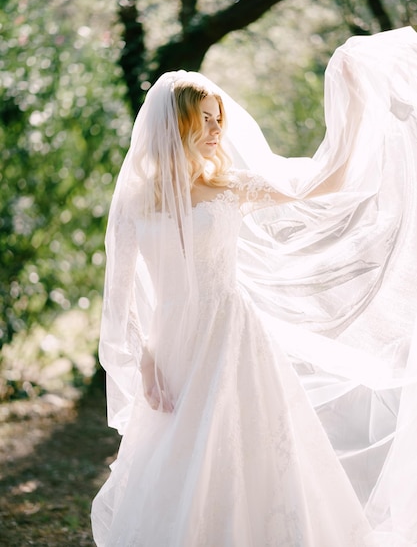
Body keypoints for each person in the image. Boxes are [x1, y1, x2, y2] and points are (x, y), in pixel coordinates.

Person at [91, 27, 417, 547]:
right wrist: (146, 360)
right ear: (178, 124)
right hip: (174, 342)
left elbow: (324, 182)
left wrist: (354, 101)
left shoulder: (230, 186)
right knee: (180, 456)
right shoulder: (137, 201)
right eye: (207, 121)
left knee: (250, 448)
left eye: (220, 120)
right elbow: (123, 296)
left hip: (233, 334)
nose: (218, 131)